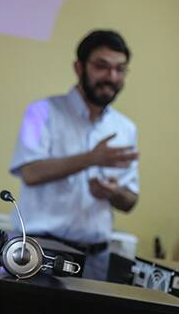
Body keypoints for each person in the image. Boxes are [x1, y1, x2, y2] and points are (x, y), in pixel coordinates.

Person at [9, 30, 140, 280]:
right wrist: (92, 158)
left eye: (120, 69)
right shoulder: (40, 112)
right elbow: (30, 172)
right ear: (79, 68)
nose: (112, 77)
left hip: (96, 259)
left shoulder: (126, 128)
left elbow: (130, 200)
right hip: (39, 253)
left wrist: (114, 192)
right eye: (102, 66)